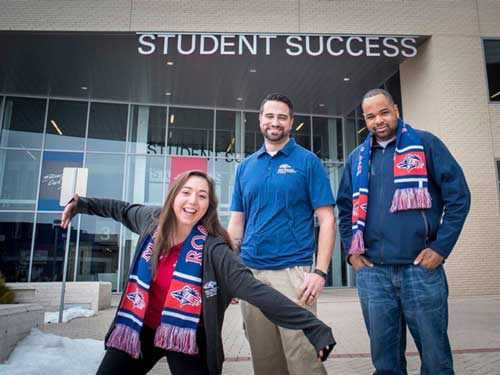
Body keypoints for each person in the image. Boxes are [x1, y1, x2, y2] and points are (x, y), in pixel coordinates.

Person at [61, 170, 335, 375]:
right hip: (140, 329)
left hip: (189, 335)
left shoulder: (214, 248)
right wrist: (82, 204)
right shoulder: (150, 222)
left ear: (208, 206)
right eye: (186, 192)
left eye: (202, 196)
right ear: (174, 196)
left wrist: (312, 325)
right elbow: (120, 209)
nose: (193, 201)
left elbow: (256, 291)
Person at [337, 88, 471, 375]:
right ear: (365, 119)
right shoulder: (357, 158)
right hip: (373, 274)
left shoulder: (426, 144)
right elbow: (345, 210)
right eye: (371, 116)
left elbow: (459, 197)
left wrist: (440, 248)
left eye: (384, 112)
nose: (379, 121)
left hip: (420, 270)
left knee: (436, 360)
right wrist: (352, 253)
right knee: (385, 363)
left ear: (396, 110)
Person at [228, 93, 336, 375]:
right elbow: (237, 223)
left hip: (293, 275)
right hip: (251, 275)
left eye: (282, 117)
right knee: (265, 361)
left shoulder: (308, 162)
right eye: (270, 116)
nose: (275, 122)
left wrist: (320, 272)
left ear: (291, 122)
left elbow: (327, 220)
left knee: (304, 360)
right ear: (260, 119)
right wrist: (230, 271)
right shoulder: (246, 167)